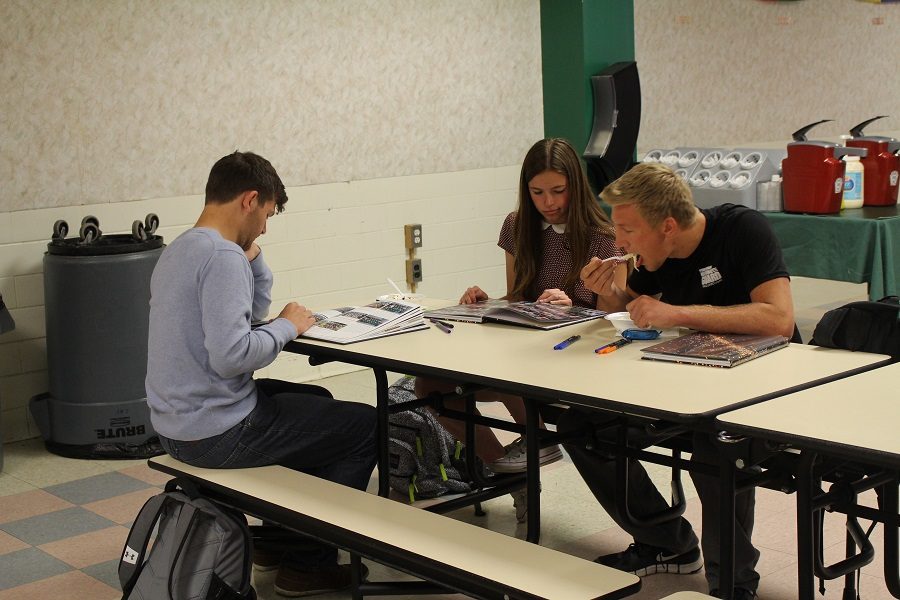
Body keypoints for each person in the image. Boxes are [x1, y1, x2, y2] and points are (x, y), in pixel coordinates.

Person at [557, 162, 797, 600]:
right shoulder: (658, 255)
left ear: (668, 225)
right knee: (582, 425)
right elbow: (638, 306)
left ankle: (732, 584)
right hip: (687, 383)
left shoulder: (743, 230)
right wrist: (609, 292)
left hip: (763, 391)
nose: (619, 241)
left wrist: (680, 313)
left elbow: (780, 320)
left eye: (627, 229)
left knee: (716, 446)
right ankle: (666, 543)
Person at [146, 151, 377, 598]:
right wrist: (290, 324)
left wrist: (255, 259)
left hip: (174, 425)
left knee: (319, 405)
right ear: (250, 200)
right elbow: (234, 356)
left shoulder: (180, 249)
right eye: (267, 215)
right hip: (214, 432)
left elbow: (245, 320)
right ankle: (308, 564)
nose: (266, 227)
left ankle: (278, 544)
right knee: (364, 426)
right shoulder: (221, 257)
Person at [415, 138, 627, 520]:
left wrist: (575, 306)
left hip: (574, 358)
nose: (549, 202)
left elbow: (615, 317)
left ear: (576, 187)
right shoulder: (517, 225)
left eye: (558, 191)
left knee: (508, 373)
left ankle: (536, 441)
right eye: (538, 192)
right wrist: (489, 301)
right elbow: (517, 299)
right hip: (526, 353)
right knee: (429, 388)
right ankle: (509, 469)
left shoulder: (604, 234)